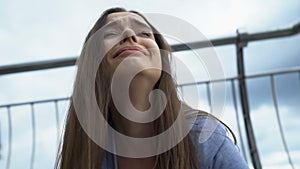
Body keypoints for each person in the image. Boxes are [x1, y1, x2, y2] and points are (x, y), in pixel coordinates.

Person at [55, 7, 249, 169]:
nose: (130, 35)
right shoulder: (86, 153)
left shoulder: (202, 136)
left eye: (144, 34)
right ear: (93, 63)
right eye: (112, 33)